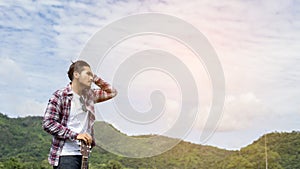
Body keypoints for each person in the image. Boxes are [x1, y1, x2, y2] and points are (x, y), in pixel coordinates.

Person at [42, 60, 117, 169]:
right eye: (88, 74)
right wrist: (75, 135)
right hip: (65, 155)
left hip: (83, 154)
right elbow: (48, 123)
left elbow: (112, 92)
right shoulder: (60, 96)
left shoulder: (89, 95)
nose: (91, 78)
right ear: (76, 74)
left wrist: (94, 77)